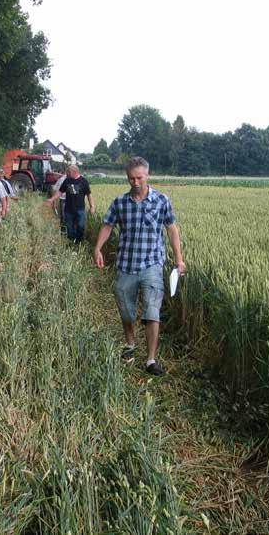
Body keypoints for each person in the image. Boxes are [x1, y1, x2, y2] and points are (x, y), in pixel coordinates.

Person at [92, 157, 186, 376]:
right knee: (126, 311)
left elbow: (172, 229)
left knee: (152, 312)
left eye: (139, 178)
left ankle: (151, 360)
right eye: (131, 178)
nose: (135, 182)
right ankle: (130, 343)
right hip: (126, 264)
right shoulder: (120, 202)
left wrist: (178, 259)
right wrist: (97, 248)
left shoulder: (162, 200)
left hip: (152, 264)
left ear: (147, 175)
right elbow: (107, 225)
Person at [47, 164, 94, 244]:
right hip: (68, 210)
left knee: (81, 226)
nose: (67, 174)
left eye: (68, 172)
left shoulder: (83, 181)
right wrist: (52, 199)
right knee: (69, 229)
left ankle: (79, 242)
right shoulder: (67, 181)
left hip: (80, 209)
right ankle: (71, 243)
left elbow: (89, 194)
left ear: (74, 172)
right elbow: (60, 192)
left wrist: (92, 206)